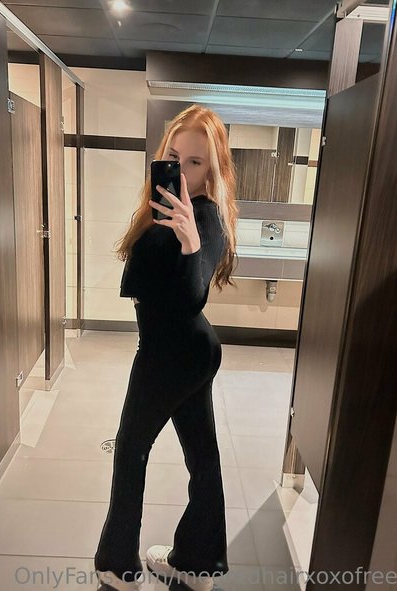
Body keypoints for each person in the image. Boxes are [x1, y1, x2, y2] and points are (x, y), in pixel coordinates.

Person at [93, 104, 239, 591]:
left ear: (212, 169)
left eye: (195, 161)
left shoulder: (205, 217)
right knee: (202, 454)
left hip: (171, 353)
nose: (182, 168)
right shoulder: (162, 207)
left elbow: (194, 294)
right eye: (174, 156)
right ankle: (198, 564)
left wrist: (192, 244)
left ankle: (118, 566)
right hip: (186, 350)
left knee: (131, 449)